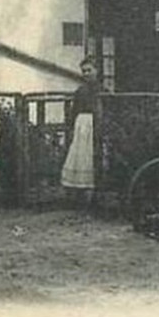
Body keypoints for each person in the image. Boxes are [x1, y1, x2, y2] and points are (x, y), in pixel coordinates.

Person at [59, 58, 100, 206]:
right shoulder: (80, 91)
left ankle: (94, 193)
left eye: (89, 70)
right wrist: (71, 127)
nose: (87, 74)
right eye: (84, 71)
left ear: (97, 70)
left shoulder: (102, 90)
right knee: (81, 156)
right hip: (83, 126)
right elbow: (74, 111)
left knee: (95, 156)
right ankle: (79, 196)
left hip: (98, 124)